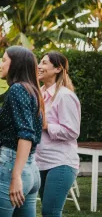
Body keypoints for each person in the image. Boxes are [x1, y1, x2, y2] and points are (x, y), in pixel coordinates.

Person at [0, 46, 44, 217]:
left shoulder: (18, 89)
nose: (0, 65)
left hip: (13, 169)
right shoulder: (32, 90)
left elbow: (26, 135)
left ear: (15, 64)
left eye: (4, 60)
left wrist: (15, 176)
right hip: (31, 170)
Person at [36, 51, 81, 217]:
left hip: (60, 163)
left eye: (44, 63)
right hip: (40, 162)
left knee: (50, 212)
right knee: (47, 212)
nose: (39, 66)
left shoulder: (64, 96)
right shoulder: (39, 94)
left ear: (57, 68)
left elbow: (73, 131)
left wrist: (47, 125)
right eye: (39, 62)